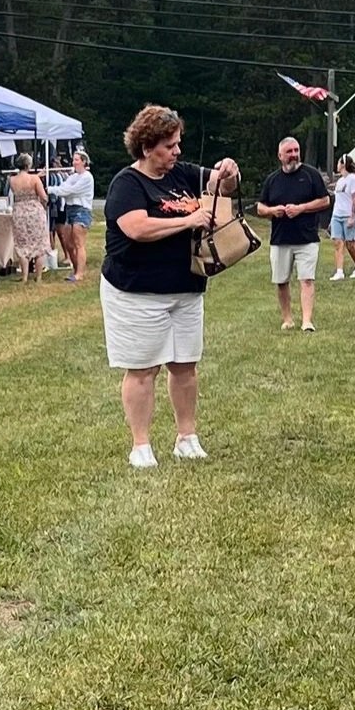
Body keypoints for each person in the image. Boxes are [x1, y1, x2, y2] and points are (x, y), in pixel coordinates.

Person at [100, 104, 240, 468]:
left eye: (178, 143)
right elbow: (137, 228)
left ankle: (186, 438)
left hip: (185, 288)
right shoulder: (127, 184)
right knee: (143, 368)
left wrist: (228, 172)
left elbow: (221, 186)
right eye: (169, 145)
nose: (177, 151)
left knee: (185, 366)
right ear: (147, 148)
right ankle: (141, 445)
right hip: (136, 291)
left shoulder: (183, 173)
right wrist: (188, 220)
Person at [256, 136, 332, 331]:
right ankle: (287, 319)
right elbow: (260, 207)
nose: (294, 155)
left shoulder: (311, 175)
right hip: (280, 239)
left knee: (306, 279)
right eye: (289, 152)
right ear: (280, 155)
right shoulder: (272, 180)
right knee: (281, 281)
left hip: (307, 238)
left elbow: (325, 201)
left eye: (296, 150)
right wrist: (273, 211)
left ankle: (307, 321)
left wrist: (301, 208)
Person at [7, 153, 54, 281]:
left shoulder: (12, 180)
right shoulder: (34, 179)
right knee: (39, 244)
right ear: (28, 165)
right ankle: (38, 277)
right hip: (35, 211)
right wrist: (44, 203)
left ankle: (24, 277)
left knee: (22, 244)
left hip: (19, 211)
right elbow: (43, 196)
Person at [52, 150, 96, 283]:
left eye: (77, 160)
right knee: (68, 244)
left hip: (81, 210)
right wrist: (59, 190)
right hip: (69, 209)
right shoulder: (72, 177)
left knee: (78, 243)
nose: (74, 162)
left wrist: (50, 190)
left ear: (84, 162)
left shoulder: (87, 177)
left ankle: (80, 274)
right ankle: (76, 270)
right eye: (74, 160)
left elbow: (70, 190)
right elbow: (64, 188)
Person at [329, 155, 355, 280]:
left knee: (350, 245)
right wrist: (332, 219)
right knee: (338, 243)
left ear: (343, 164)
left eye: (338, 162)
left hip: (348, 215)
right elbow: (338, 200)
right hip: (337, 215)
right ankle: (339, 272)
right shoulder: (340, 181)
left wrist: (352, 216)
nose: (337, 165)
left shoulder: (353, 179)